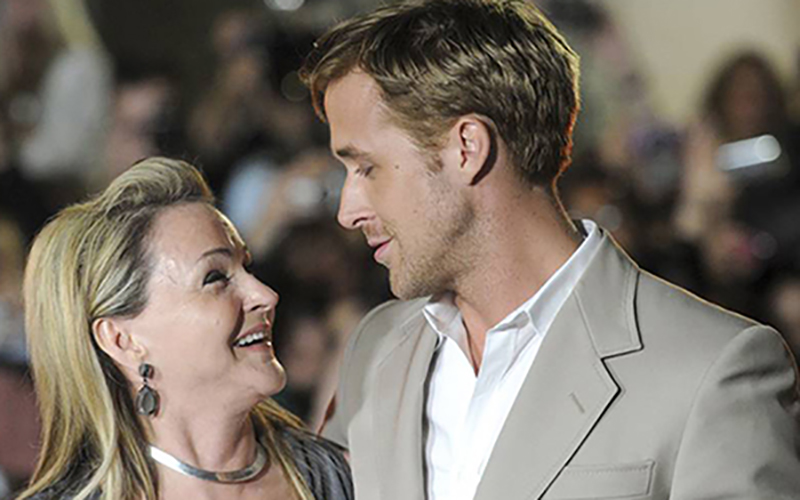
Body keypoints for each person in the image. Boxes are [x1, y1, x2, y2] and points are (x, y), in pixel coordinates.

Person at [299, 1, 800, 499]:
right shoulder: (378, 346)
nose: (347, 211)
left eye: (366, 168)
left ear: (466, 149)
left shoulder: (712, 371)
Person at [15, 157, 353, 500]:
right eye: (215, 277)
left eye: (245, 267)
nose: (265, 295)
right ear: (122, 340)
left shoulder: (331, 476)